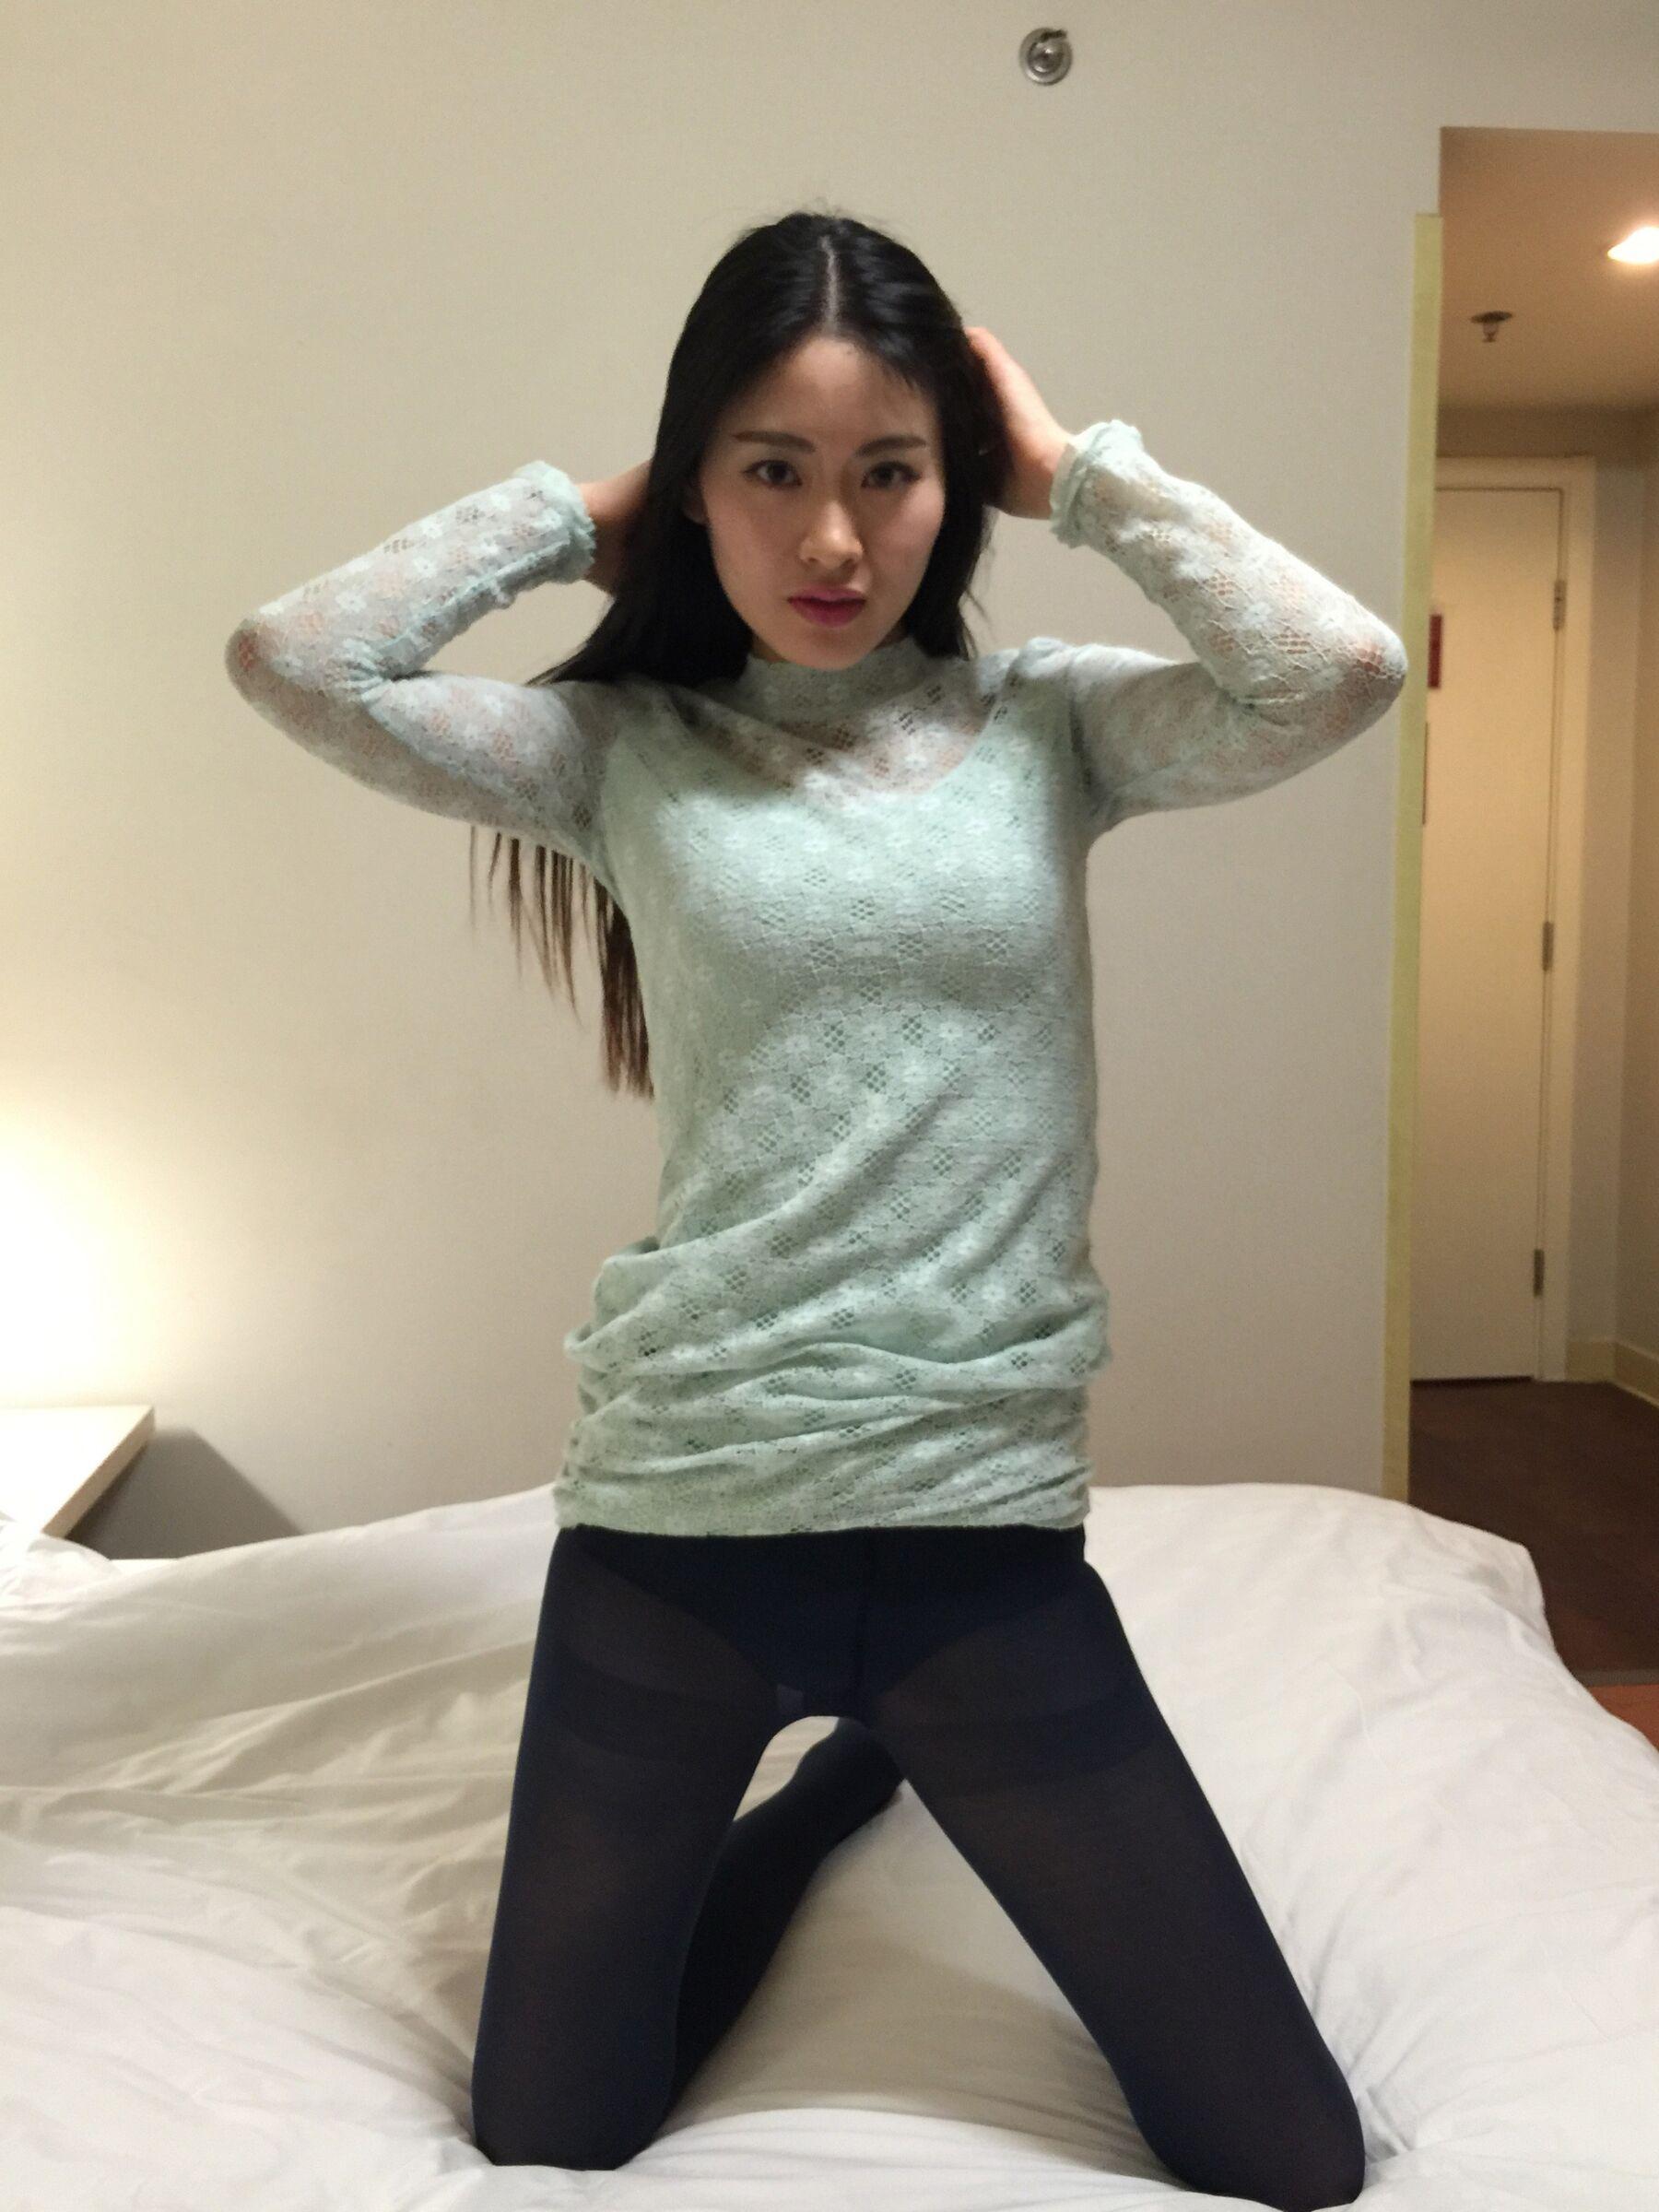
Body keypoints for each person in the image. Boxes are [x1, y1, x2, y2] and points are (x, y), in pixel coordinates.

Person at [225, 206, 1406, 2207]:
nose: (835, 538)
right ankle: (812, 1805)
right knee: (555, 2135)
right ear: (699, 482)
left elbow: (1340, 669)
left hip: (975, 1540)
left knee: (1288, 2154)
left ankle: (872, 1754)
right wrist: (589, 516)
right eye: (772, 470)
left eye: (892, 471)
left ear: (959, 484)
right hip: (678, 1528)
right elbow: (295, 659)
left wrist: (1081, 473)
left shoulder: (1052, 727)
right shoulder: (621, 751)